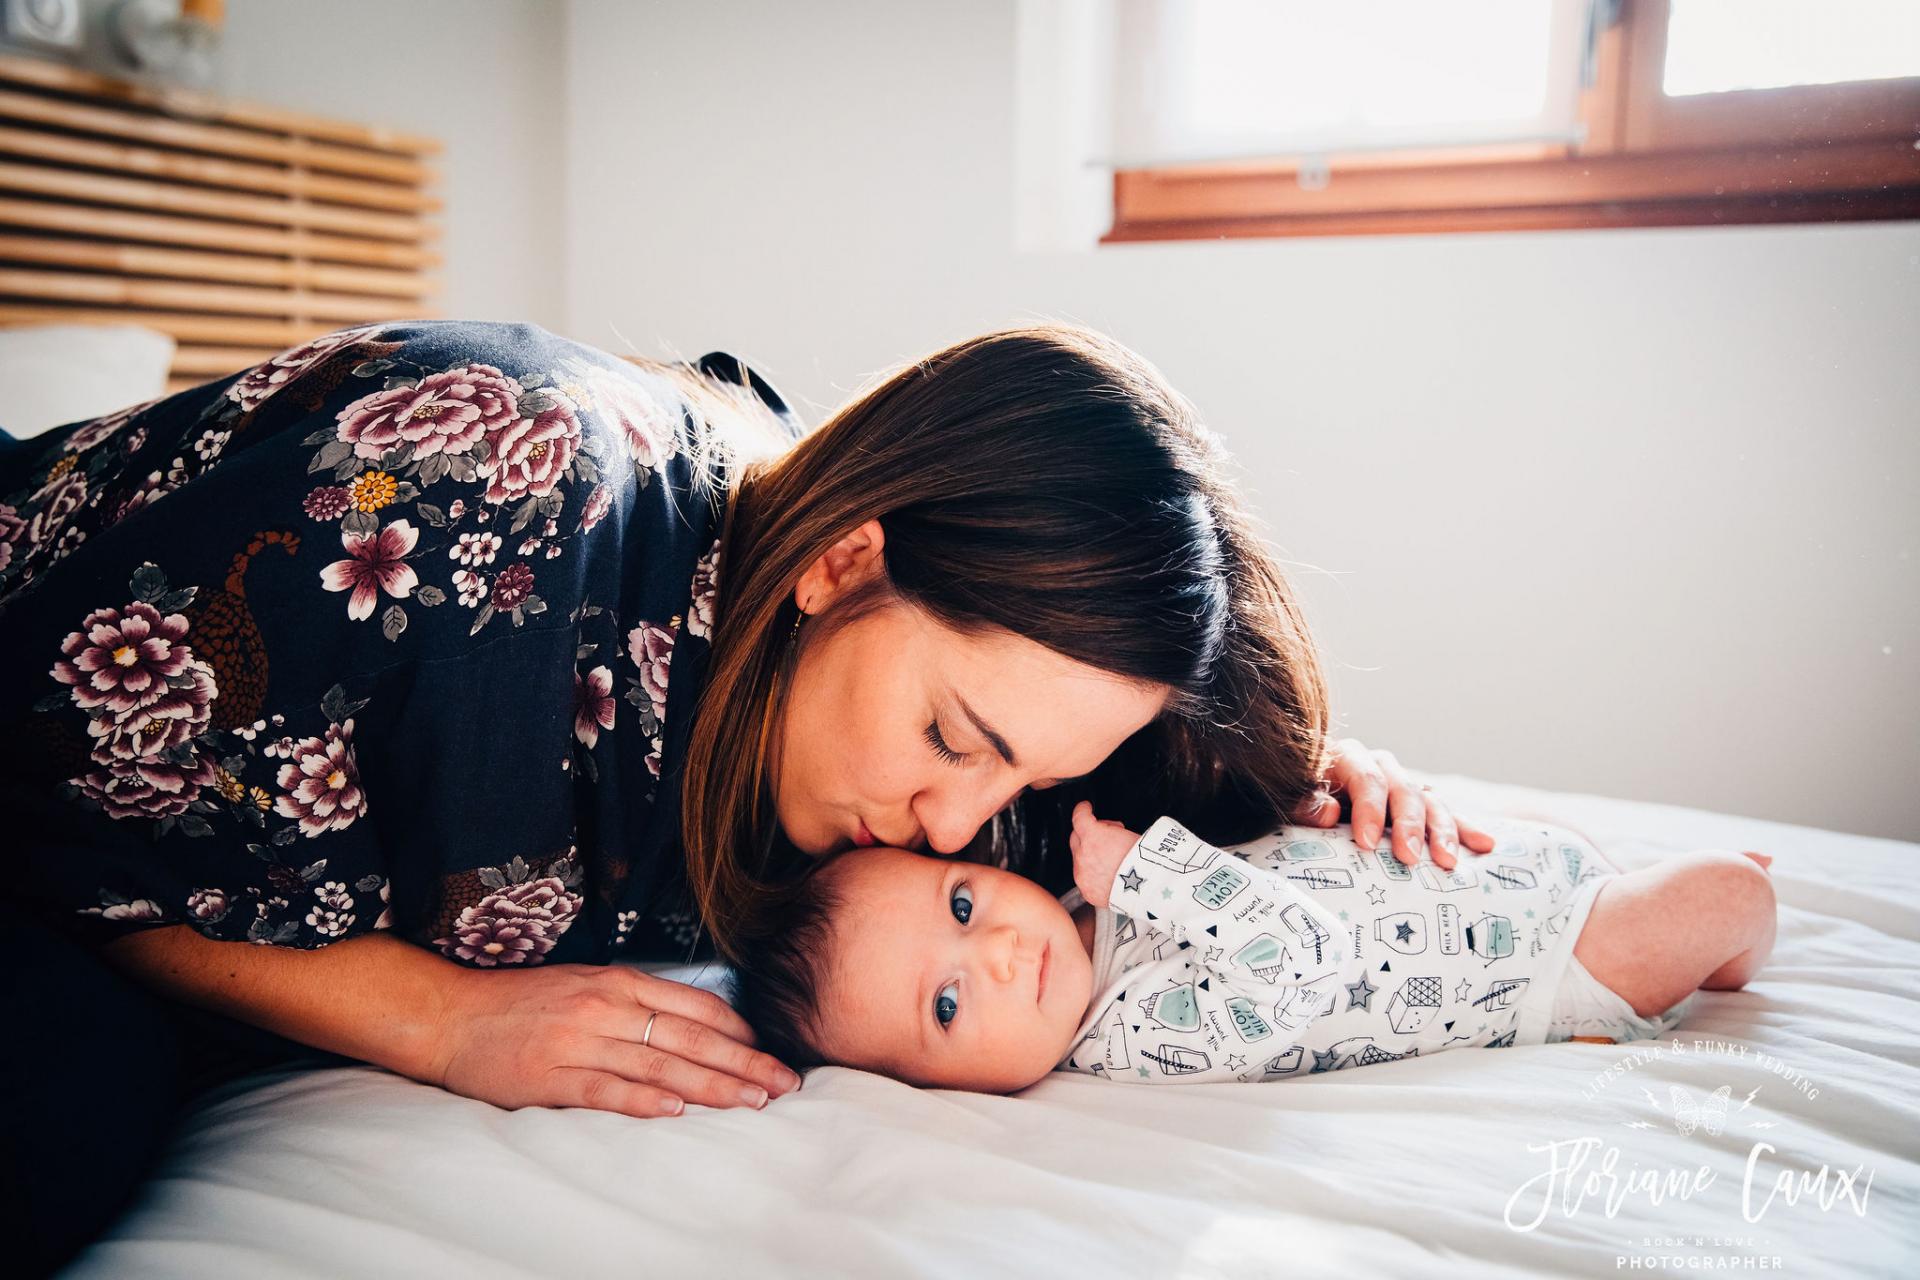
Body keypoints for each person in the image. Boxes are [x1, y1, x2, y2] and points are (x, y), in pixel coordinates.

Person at [1, 318, 1490, 1273]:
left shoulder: (938, 752)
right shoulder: (482, 490)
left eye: (1026, 777)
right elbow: (35, 800)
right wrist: (434, 1018)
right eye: (956, 737)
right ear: (845, 558)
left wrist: (1324, 787)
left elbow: (1151, 804)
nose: (963, 827)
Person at [726, 803, 1778, 1093]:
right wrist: (1145, 870)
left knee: (1618, 862)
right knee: (1726, 894)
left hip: (1500, 883)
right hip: (1544, 970)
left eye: (960, 904)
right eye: (947, 1006)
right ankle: (1730, 935)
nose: (998, 950)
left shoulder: (1068, 894)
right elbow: (1298, 956)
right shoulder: (1131, 1034)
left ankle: (1678, 904)